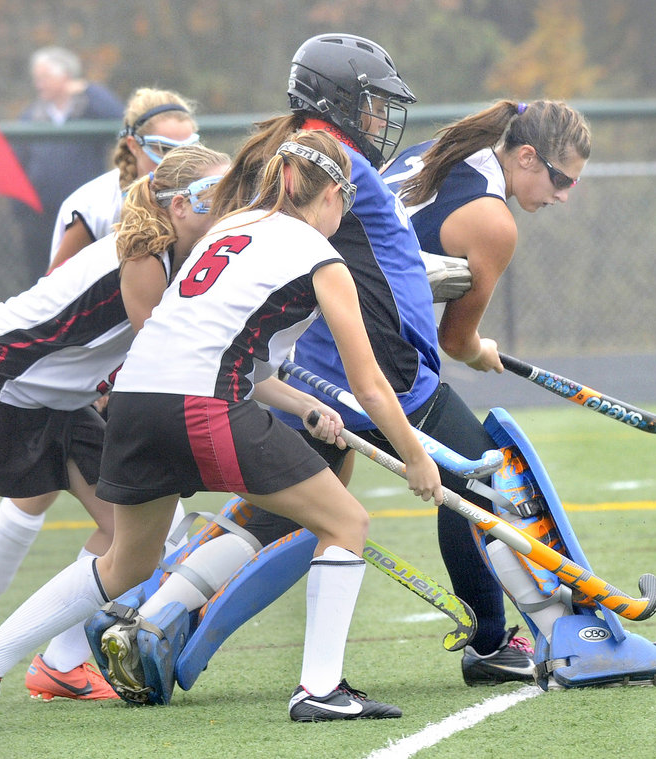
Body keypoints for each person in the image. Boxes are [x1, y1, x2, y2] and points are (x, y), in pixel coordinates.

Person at [0, 129, 443, 722]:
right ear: (332, 194)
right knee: (345, 520)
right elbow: (370, 385)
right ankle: (320, 690)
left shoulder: (229, 230)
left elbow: (212, 345)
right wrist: (418, 457)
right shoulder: (320, 255)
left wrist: (305, 406)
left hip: (132, 403)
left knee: (126, 563)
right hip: (201, 405)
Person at [138, 33, 538, 690]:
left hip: (313, 371)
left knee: (290, 510)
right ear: (335, 100)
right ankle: (495, 641)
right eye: (373, 105)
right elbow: (353, 261)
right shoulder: (331, 161)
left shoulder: (288, 154)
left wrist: (415, 271)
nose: (381, 121)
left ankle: (158, 614)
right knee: (481, 481)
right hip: (389, 371)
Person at [0, 143, 230, 701]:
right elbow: (162, 349)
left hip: (59, 402)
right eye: (214, 198)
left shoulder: (190, 258)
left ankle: (62, 663)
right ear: (178, 205)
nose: (228, 209)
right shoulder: (144, 255)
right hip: (9, 377)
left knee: (138, 526)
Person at [382, 99, 591, 373]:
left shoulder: (442, 149)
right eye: (562, 180)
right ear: (527, 157)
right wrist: (479, 351)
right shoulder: (495, 224)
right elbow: (455, 342)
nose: (563, 196)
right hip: (351, 332)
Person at [48, 86, 200, 272]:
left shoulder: (205, 198)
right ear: (133, 145)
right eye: (163, 149)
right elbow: (56, 288)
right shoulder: (93, 207)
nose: (178, 162)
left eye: (188, 148)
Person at [11, 46, 124, 282]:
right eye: (37, 78)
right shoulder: (32, 116)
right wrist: (21, 210)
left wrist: (88, 89)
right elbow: (18, 163)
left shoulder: (89, 108)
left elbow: (121, 119)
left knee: (84, 276)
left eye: (45, 77)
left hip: (84, 214)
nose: (39, 84)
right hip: (41, 215)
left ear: (65, 77)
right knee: (41, 275)